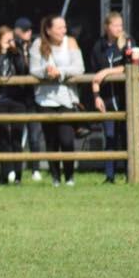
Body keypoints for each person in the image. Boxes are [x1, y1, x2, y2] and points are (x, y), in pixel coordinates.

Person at [29, 15, 84, 186]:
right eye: (59, 28)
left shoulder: (71, 42)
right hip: (45, 99)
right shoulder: (38, 44)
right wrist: (47, 72)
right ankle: (55, 178)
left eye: (64, 27)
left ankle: (69, 177)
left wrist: (60, 71)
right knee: (51, 140)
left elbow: (79, 68)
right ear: (48, 30)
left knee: (67, 140)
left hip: (66, 99)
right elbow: (34, 70)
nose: (63, 31)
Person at [90, 11, 134, 183]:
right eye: (115, 25)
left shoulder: (128, 42)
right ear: (107, 27)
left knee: (126, 135)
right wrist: (96, 96)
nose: (119, 29)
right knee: (109, 136)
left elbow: (129, 66)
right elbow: (94, 76)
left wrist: (107, 71)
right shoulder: (98, 47)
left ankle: (130, 173)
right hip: (107, 99)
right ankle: (110, 176)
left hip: (125, 98)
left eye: (121, 25)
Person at [0, 25, 29, 184]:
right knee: (4, 139)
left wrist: (16, 53)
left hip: (17, 100)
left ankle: (18, 176)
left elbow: (23, 70)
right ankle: (5, 175)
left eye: (12, 40)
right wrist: (3, 53)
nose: (11, 43)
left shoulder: (15, 55)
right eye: (7, 40)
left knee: (17, 139)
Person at [13, 17, 44, 182]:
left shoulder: (36, 47)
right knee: (17, 136)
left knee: (34, 135)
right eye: (25, 31)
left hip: (33, 97)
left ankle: (36, 168)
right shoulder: (13, 49)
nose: (28, 33)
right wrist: (18, 50)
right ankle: (15, 171)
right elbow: (18, 68)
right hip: (17, 97)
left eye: (29, 30)